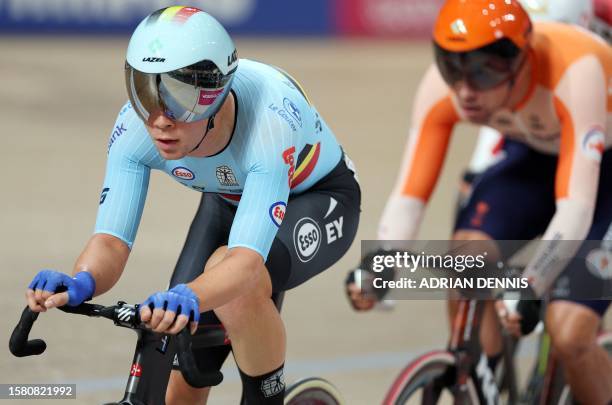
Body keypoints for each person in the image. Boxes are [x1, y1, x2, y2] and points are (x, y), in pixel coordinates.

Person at [24, 6, 361, 404]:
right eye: (146, 92)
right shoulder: (135, 128)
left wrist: (195, 296)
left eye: (178, 97)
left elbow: (245, 263)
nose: (160, 120)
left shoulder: (268, 123)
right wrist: (83, 281)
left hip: (317, 198)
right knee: (180, 372)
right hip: (230, 199)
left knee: (231, 287)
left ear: (216, 95)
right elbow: (111, 242)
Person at [347, 0, 611, 403]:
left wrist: (531, 283)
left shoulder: (576, 72)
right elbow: (410, 193)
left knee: (570, 329)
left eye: (486, 71)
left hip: (601, 171)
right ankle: (484, 378)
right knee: (466, 255)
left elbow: (576, 207)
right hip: (536, 154)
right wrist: (382, 262)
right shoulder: (442, 85)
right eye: (453, 67)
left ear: (522, 62)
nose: (467, 90)